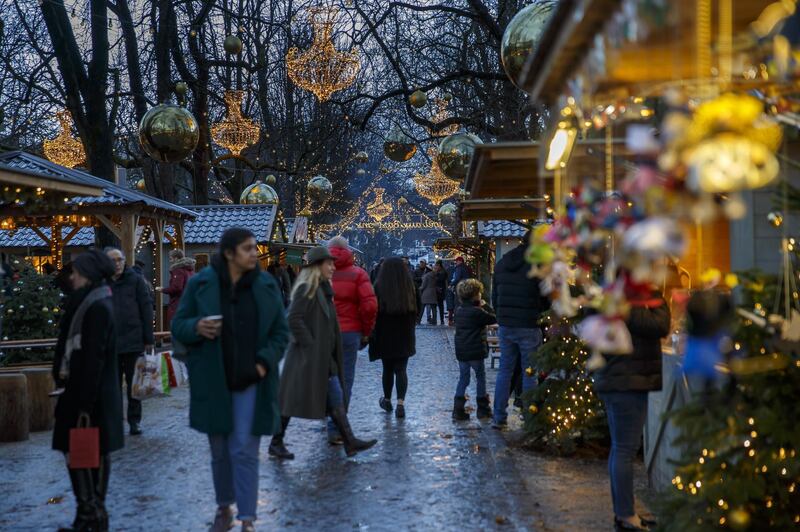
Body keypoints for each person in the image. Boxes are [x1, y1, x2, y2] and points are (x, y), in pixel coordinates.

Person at [171, 228, 289, 532]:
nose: (254, 253)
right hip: (213, 380)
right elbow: (179, 326)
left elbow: (280, 332)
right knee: (221, 451)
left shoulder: (265, 284)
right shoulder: (200, 283)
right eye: (248, 249)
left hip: (253, 379)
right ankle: (224, 506)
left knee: (244, 450)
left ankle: (247, 518)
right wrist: (197, 326)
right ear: (229, 253)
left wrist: (264, 363)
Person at [271, 246, 377, 459]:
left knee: (334, 397)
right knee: (292, 400)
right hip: (307, 357)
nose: (333, 267)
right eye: (329, 264)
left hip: (321, 356)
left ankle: (349, 441)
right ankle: (277, 442)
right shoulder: (306, 288)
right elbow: (292, 320)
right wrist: (310, 344)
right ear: (318, 266)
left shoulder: (322, 288)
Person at [51, 250, 121, 532]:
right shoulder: (87, 303)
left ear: (89, 274)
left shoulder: (97, 306)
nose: (73, 276)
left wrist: (84, 403)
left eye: (77, 271)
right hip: (83, 395)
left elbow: (94, 359)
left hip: (90, 399)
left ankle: (93, 514)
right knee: (82, 453)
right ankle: (87, 514)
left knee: (89, 453)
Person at [594, 287, 669, 531]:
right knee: (625, 450)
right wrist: (657, 297)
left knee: (620, 449)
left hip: (620, 380)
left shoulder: (615, 295)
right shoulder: (628, 299)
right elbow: (660, 325)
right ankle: (626, 516)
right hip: (625, 382)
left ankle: (624, 513)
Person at [490, 233, 548, 428]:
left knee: (504, 371)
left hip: (506, 325)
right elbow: (545, 296)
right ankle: (529, 416)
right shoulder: (537, 265)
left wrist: (501, 317)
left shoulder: (502, 263)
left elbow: (494, 296)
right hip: (529, 324)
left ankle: (498, 416)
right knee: (529, 372)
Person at [326, 236, 378, 444]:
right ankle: (336, 427)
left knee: (327, 377)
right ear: (348, 251)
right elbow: (369, 306)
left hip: (325, 332)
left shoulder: (319, 273)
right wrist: (366, 331)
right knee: (345, 379)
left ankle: (330, 421)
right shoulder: (358, 274)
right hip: (349, 333)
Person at [105, 247, 154, 436]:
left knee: (135, 385)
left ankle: (135, 421)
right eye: (113, 260)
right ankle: (114, 421)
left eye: (119, 260)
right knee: (112, 387)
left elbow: (146, 307)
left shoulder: (134, 280)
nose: (117, 264)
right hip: (109, 342)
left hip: (133, 340)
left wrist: (148, 338)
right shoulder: (101, 282)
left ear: (124, 260)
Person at [369, 257, 417, 418]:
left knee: (387, 369)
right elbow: (418, 307)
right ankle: (400, 403)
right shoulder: (409, 286)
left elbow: (373, 310)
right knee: (401, 369)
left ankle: (387, 399)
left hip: (385, 333)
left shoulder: (379, 286)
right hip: (405, 333)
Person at [452, 279, 497, 420]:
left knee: (463, 378)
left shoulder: (459, 311)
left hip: (462, 351)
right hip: (476, 351)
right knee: (480, 377)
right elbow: (492, 318)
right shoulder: (477, 312)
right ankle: (482, 409)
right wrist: (485, 305)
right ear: (475, 295)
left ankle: (458, 410)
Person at [157, 249, 196, 326]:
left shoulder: (178, 270)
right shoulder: (190, 271)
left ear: (176, 258)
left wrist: (163, 289)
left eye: (171, 258)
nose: (170, 261)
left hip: (178, 304)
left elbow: (177, 288)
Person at [434, 260, 448, 326]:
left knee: (440, 306)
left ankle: (441, 320)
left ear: (439, 265)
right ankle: (438, 320)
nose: (435, 267)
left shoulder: (442, 272)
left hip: (440, 291)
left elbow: (439, 280)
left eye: (436, 265)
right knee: (439, 306)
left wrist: (435, 274)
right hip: (438, 290)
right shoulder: (441, 271)